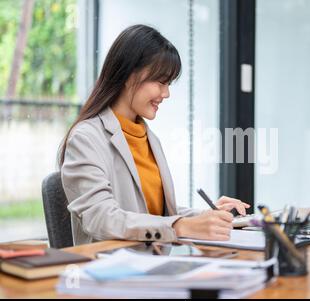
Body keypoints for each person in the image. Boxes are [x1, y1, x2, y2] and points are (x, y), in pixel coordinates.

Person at [58, 24, 249, 245]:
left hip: (153, 264)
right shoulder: (86, 138)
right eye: (161, 82)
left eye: (168, 84)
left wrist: (205, 217)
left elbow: (156, 213)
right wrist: (181, 226)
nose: (166, 93)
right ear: (130, 75)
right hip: (111, 269)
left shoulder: (148, 138)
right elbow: (101, 218)